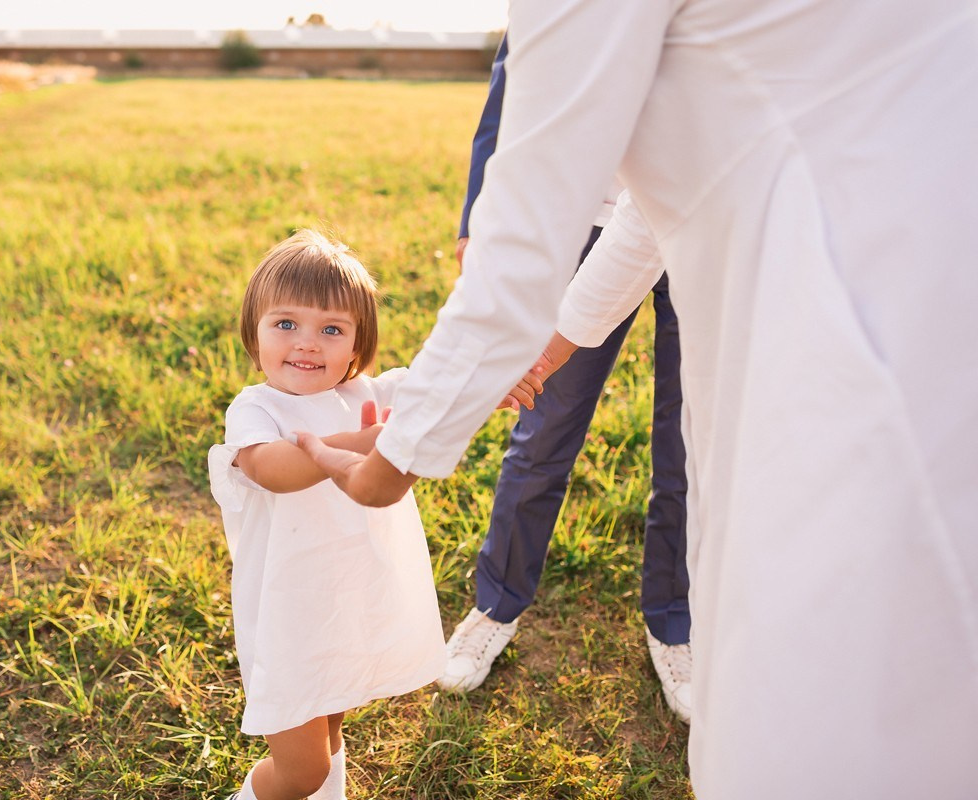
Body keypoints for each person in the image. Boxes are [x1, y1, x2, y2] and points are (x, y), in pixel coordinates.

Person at [295, 2, 978, 798]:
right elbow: (645, 223)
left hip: (839, 327)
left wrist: (396, 459)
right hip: (895, 279)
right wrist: (548, 353)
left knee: (825, 679)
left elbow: (519, 253)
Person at [441, 32, 693, 724]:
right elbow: (514, 74)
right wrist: (476, 217)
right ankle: (495, 604)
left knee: (691, 441)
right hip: (587, 218)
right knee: (545, 423)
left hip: (698, 218)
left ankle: (675, 620)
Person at [208, 231, 445, 800]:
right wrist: (360, 441)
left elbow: (441, 387)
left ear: (357, 346)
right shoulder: (256, 410)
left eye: (331, 329)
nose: (307, 344)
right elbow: (273, 469)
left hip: (343, 602)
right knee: (300, 770)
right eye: (286, 324)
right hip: (286, 614)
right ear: (255, 331)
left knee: (333, 721)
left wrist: (494, 385)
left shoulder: (371, 392)